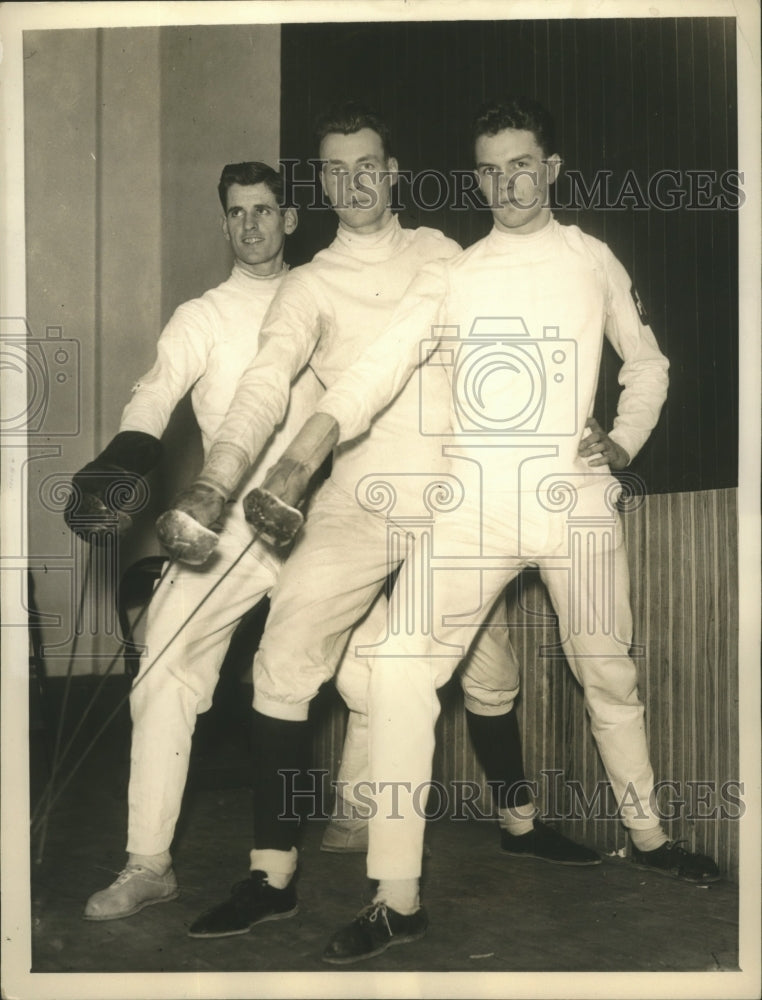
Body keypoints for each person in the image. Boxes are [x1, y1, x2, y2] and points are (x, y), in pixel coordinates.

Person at [243, 96, 722, 963]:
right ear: (478, 178)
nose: (507, 182)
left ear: (550, 168)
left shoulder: (592, 258)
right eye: (490, 168)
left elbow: (646, 360)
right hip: (474, 503)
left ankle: (650, 838)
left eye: (521, 163)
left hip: (573, 498)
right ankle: (398, 896)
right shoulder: (454, 272)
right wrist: (300, 455)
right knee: (395, 666)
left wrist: (624, 439)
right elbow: (376, 371)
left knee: (606, 673)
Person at [158, 103, 599, 941]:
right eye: (334, 170)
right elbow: (265, 381)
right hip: (357, 501)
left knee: (487, 669)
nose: (353, 182)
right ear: (319, 184)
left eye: (368, 165)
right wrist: (216, 480)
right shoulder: (307, 284)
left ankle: (520, 825)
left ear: (392, 171)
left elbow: (518, 330)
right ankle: (272, 874)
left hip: (459, 497)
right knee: (284, 655)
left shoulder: (443, 253)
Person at [64, 161, 323, 921]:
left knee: (379, 675)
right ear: (224, 224)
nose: (250, 225)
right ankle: (148, 862)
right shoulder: (201, 315)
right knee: (162, 672)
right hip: (231, 521)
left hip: (328, 517)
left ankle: (364, 825)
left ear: (291, 219)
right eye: (236, 213)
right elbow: (156, 392)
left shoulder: (328, 295)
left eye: (264, 210)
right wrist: (122, 462)